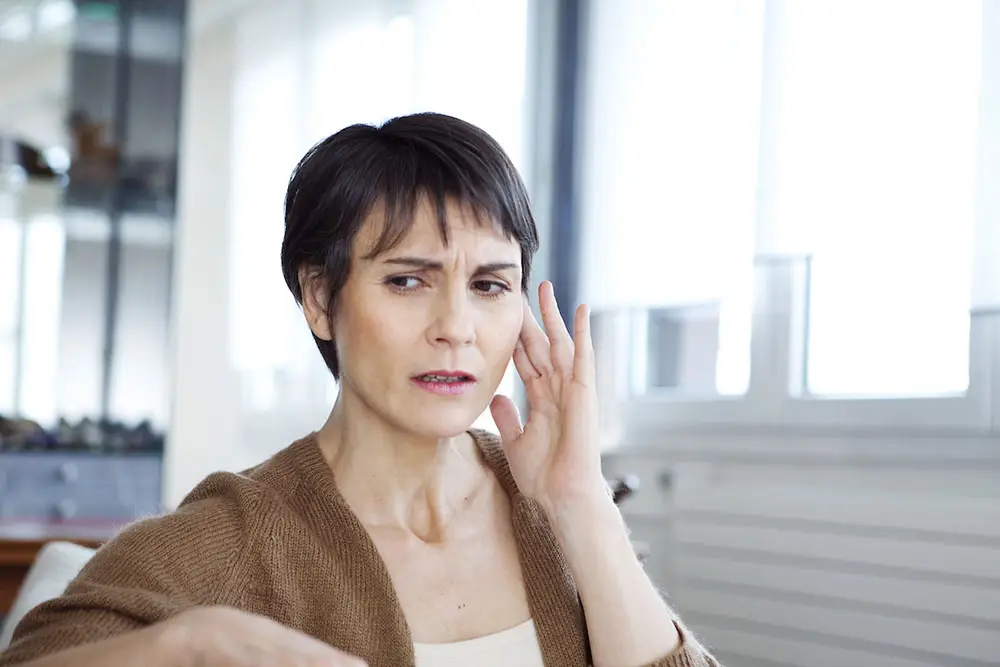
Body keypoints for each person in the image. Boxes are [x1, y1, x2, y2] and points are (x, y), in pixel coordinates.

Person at [0, 113, 719, 667]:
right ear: (319, 296)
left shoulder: (557, 514)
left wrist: (582, 504)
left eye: (490, 284)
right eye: (408, 279)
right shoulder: (233, 536)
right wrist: (187, 643)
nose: (455, 327)